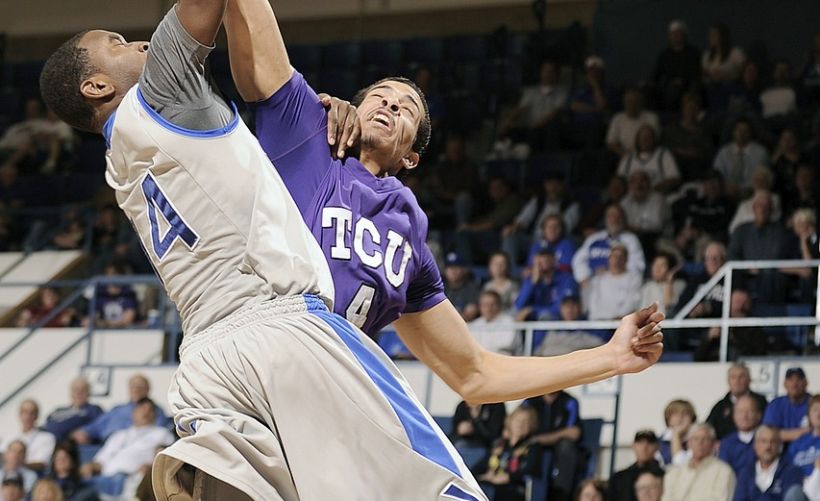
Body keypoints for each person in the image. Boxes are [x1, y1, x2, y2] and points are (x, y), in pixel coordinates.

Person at [40, 0, 664, 499]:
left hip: (263, 374)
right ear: (351, 104)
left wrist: (607, 357)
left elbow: (474, 373)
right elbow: (243, 15)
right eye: (382, 94)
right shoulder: (302, 126)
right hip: (292, 337)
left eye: (409, 106)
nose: (391, 102)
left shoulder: (411, 238)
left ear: (414, 153)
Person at [79, 398, 174, 499]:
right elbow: (100, 461)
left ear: (155, 415)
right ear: (134, 413)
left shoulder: (162, 434)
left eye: (150, 410)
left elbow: (164, 460)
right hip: (104, 479)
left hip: (130, 479)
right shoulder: (119, 435)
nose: (146, 412)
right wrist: (90, 465)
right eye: (142, 409)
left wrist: (151, 467)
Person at [496, 59, 569, 153]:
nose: (548, 74)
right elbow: (520, 108)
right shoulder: (531, 91)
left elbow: (556, 111)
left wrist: (539, 122)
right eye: (546, 71)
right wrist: (508, 120)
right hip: (530, 127)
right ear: (541, 73)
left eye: (551, 71)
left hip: (546, 128)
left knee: (541, 132)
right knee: (507, 131)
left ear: (556, 74)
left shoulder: (562, 91)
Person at [71, 374, 167, 445]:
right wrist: (83, 432)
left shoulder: (154, 410)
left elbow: (157, 429)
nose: (136, 389)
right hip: (106, 445)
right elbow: (97, 425)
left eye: (141, 386)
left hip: (132, 446)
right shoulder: (117, 409)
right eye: (133, 386)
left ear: (148, 389)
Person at [472, 406, 543, 501]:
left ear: (532, 425)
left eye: (526, 422)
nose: (521, 425)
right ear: (510, 422)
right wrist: (481, 476)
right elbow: (480, 466)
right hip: (491, 484)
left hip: (514, 488)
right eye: (518, 420)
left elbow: (530, 468)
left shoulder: (533, 446)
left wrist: (508, 477)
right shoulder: (499, 444)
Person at [524, 390, 582, 501]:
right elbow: (517, 426)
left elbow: (574, 432)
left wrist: (542, 439)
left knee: (566, 446)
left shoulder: (569, 401)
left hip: (560, 453)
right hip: (535, 451)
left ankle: (561, 495)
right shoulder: (530, 401)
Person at [661, 423, 736, 501]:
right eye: (695, 439)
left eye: (705, 439)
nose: (700, 443)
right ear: (688, 443)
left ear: (713, 444)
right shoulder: (674, 472)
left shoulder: (723, 472)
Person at [732, 424, 803, 501]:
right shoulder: (746, 472)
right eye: (763, 441)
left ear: (779, 446)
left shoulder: (791, 471)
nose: (768, 446)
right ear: (755, 445)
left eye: (773, 442)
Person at [706, 363, 769, 441]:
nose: (737, 381)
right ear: (728, 381)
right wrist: (713, 443)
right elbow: (707, 429)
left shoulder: (761, 402)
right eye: (733, 377)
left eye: (741, 377)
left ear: (749, 380)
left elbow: (769, 427)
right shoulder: (720, 406)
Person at [712, 118, 770, 201]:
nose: (741, 134)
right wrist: (726, 186)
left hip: (750, 192)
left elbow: (761, 178)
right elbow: (716, 174)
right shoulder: (724, 152)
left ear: (750, 133)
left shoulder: (761, 153)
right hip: (726, 192)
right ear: (733, 132)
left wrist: (741, 189)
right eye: (739, 130)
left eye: (745, 131)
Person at [514, 248, 578, 322]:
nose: (545, 259)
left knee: (545, 316)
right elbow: (519, 305)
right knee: (514, 314)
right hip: (533, 320)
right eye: (541, 256)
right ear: (535, 259)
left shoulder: (566, 278)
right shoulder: (531, 279)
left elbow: (561, 308)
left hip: (557, 321)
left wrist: (532, 309)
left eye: (548, 255)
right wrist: (533, 283)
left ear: (554, 258)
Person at [651, 20, 702, 112]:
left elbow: (695, 72)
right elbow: (657, 73)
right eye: (672, 34)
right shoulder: (665, 54)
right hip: (666, 85)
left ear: (684, 35)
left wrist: (682, 81)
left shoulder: (693, 53)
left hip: (686, 85)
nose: (675, 36)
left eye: (678, 33)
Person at [617, 125, 681, 194]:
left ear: (654, 139)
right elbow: (619, 179)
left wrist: (654, 188)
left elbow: (674, 178)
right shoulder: (629, 156)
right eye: (642, 137)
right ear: (637, 139)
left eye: (648, 137)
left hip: (657, 195)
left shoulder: (663, 154)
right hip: (631, 196)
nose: (645, 139)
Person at [43, 377, 104, 443]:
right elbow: (48, 425)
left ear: (89, 393)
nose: (79, 393)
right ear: (71, 392)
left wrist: (84, 431)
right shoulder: (58, 410)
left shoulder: (94, 410)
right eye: (76, 390)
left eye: (83, 390)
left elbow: (99, 426)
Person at [0, 399, 56, 472]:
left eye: (32, 413)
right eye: (25, 412)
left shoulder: (46, 438)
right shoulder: (10, 438)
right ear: (19, 415)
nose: (28, 416)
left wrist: (17, 463)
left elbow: (42, 463)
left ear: (37, 416)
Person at [608, 430, 664, 501]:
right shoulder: (619, 478)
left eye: (650, 443)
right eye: (640, 442)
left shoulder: (666, 477)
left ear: (657, 447)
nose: (644, 447)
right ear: (633, 446)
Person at [763, 367, 811, 445]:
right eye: (791, 379)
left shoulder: (814, 403)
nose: (795, 384)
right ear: (784, 384)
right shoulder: (776, 404)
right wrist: (804, 431)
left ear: (806, 383)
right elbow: (768, 433)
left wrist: (783, 434)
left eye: (799, 379)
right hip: (781, 451)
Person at [717, 394, 762, 475]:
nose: (745, 416)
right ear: (734, 415)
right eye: (740, 412)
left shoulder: (766, 440)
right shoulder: (727, 443)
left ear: (758, 415)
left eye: (750, 411)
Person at [784, 394, 820, 477]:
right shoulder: (798, 443)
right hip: (797, 484)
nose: (819, 413)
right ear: (808, 415)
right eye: (815, 409)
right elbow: (786, 468)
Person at [641, 252, 685, 317]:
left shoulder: (679, 284)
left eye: (662, 265)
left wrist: (669, 283)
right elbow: (642, 310)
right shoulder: (648, 286)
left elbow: (669, 304)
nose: (657, 268)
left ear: (670, 268)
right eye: (655, 264)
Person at [443, 251, 481, 322]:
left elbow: (469, 315)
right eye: (450, 267)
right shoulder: (441, 288)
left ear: (464, 269)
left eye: (456, 267)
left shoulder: (472, 288)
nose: (453, 270)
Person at [659, 399, 697, 467]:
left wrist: (676, 435)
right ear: (668, 419)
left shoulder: (698, 439)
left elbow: (681, 465)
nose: (680, 417)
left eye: (685, 414)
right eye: (675, 414)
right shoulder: (660, 441)